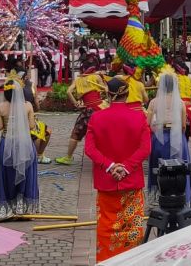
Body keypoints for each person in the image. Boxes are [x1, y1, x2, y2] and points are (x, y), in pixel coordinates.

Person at [84, 77, 150, 262]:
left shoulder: (97, 117)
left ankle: (107, 260)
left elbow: (90, 149)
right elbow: (145, 148)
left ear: (108, 94)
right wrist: (126, 167)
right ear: (128, 93)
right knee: (132, 228)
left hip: (107, 182)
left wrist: (110, 166)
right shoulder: (139, 116)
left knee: (106, 226)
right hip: (131, 181)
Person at [0, 79, 40, 221]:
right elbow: (32, 126)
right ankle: (23, 208)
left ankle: (6, 206)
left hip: (7, 144)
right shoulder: (27, 106)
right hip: (25, 143)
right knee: (26, 174)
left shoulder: (1, 106)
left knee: (6, 175)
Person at [146, 70, 189, 203]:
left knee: (158, 166)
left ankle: (160, 192)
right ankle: (179, 190)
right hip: (177, 136)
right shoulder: (180, 102)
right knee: (180, 166)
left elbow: (148, 123)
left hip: (160, 138)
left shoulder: (154, 102)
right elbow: (183, 125)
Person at [56, 57, 108, 165]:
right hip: (100, 108)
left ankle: (68, 157)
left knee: (76, 133)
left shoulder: (78, 79)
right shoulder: (97, 77)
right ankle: (106, 158)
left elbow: (68, 92)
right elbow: (107, 90)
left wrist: (76, 104)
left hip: (87, 110)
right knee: (104, 134)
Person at [18, 69, 52, 164]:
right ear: (26, 77)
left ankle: (37, 155)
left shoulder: (13, 87)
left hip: (17, 119)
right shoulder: (31, 86)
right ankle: (38, 155)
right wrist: (38, 106)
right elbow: (36, 103)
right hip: (29, 117)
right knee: (43, 132)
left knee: (37, 131)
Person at [173, 61, 191, 140]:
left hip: (176, 108)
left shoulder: (172, 79)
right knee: (186, 134)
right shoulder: (190, 80)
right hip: (189, 109)